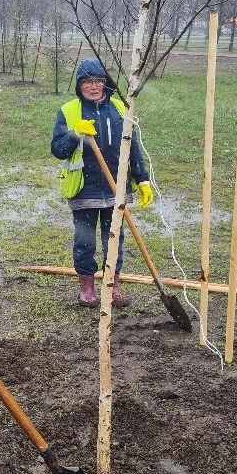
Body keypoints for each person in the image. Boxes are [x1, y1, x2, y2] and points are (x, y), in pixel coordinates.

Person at [51, 58, 154, 308]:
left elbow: (134, 147)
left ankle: (112, 285)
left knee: (114, 240)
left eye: (98, 81)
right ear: (80, 85)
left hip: (116, 189)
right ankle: (86, 288)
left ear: (106, 83)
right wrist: (75, 133)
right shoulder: (69, 111)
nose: (93, 86)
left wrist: (143, 180)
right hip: (84, 189)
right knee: (85, 241)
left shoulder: (121, 108)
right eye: (87, 82)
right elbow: (58, 150)